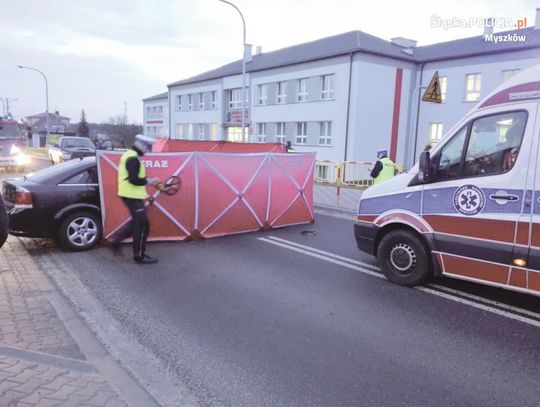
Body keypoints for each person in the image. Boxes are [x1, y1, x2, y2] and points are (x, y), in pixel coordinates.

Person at [109, 134, 161, 264]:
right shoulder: (133, 158)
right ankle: (138, 256)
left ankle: (117, 241)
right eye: (148, 148)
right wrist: (150, 181)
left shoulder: (131, 155)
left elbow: (134, 176)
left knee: (139, 223)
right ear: (141, 146)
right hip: (131, 195)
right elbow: (133, 179)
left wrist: (149, 181)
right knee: (142, 225)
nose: (148, 151)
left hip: (131, 195)